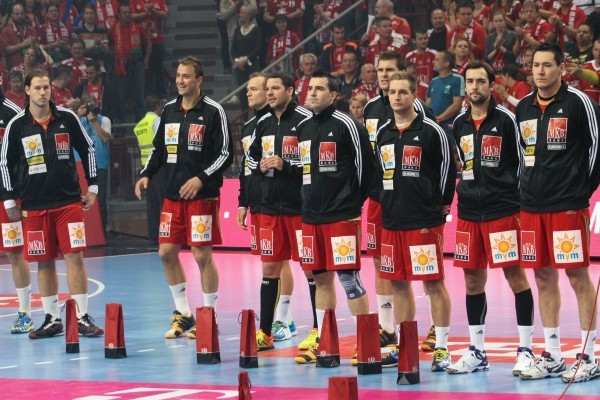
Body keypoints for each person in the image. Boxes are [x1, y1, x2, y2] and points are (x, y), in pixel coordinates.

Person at [515, 43, 600, 383]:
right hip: (531, 207)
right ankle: (552, 355)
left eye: (547, 65)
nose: (540, 71)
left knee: (577, 277)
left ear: (561, 68)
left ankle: (589, 356)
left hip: (567, 204)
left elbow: (597, 147)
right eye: (536, 65)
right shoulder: (523, 107)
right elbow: (522, 155)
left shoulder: (579, 102)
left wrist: (581, 190)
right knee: (542, 278)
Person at [0, 68, 103, 339]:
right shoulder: (17, 125)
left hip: (69, 203)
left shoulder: (67, 118)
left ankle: (82, 317)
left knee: (75, 258)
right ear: (27, 91)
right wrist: (9, 198)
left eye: (46, 87)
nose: (43, 92)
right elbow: (5, 163)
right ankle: (52, 319)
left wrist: (93, 187)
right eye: (37, 88)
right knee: (44, 262)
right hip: (33, 205)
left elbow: (88, 148)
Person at [446, 61, 535, 375]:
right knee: (472, 280)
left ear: (491, 85)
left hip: (503, 211)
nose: (474, 87)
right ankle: (476, 351)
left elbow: (524, 163)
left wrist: (519, 202)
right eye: (470, 81)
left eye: (480, 81)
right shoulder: (459, 123)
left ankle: (525, 350)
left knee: (515, 276)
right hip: (469, 211)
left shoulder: (508, 120)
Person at [134, 56, 233, 339]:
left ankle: (209, 316)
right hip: (173, 195)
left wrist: (201, 178)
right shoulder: (169, 110)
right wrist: (146, 174)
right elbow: (158, 149)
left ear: (199, 80)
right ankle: (184, 313)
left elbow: (225, 154)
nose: (180, 80)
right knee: (166, 253)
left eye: (186, 76)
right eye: (178, 75)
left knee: (202, 255)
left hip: (202, 197)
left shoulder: (213, 111)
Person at [293, 71, 377, 365]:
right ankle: (326, 345)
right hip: (311, 216)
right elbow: (303, 171)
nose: (312, 93)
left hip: (342, 215)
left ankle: (366, 344)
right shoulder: (303, 127)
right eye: (310, 89)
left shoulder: (347, 125)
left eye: (319, 89)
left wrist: (353, 202)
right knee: (320, 279)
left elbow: (367, 167)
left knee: (348, 279)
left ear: (333, 95)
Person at [375, 71, 456, 371]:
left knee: (433, 283)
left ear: (414, 95)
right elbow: (379, 173)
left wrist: (440, 205)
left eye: (403, 92)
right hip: (392, 219)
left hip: (424, 218)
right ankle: (406, 346)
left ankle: (442, 347)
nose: (397, 97)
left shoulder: (432, 131)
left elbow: (447, 169)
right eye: (392, 92)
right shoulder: (383, 133)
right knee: (398, 283)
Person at [247, 72, 312, 350]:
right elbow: (250, 159)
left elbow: (314, 164)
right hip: (270, 208)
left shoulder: (305, 121)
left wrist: (287, 166)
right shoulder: (262, 122)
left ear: (290, 90)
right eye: (268, 88)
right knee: (270, 268)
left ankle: (318, 330)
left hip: (300, 208)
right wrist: (260, 167)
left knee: (311, 269)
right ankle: (265, 333)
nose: (270, 92)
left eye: (276, 88)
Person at [0, 71, 33, 334]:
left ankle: (25, 313)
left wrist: (15, 194)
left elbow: (25, 156)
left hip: (7, 196)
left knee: (14, 252)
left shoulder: (12, 113)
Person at [108, 3, 151, 122]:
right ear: (119, 15)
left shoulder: (138, 27)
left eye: (129, 12)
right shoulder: (114, 28)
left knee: (139, 97)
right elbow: (109, 44)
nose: (127, 15)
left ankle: (140, 123)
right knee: (121, 97)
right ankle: (121, 125)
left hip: (137, 65)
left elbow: (148, 43)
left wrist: (146, 60)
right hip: (121, 66)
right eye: (124, 13)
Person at [134, 96, 167, 245]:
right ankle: (167, 235)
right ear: (157, 106)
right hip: (158, 167)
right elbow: (162, 144)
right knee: (164, 202)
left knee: (151, 203)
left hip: (145, 168)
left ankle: (154, 237)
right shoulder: (156, 121)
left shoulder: (139, 125)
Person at [77, 94, 111, 234]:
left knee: (101, 200)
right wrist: (78, 115)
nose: (92, 108)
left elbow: (105, 138)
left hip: (100, 164)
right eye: (89, 106)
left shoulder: (104, 120)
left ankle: (102, 232)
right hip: (81, 164)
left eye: (94, 105)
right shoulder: (78, 120)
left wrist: (94, 122)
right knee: (81, 198)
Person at [131, 0, 170, 98]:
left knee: (159, 69)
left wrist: (153, 11)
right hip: (140, 41)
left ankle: (161, 96)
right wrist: (145, 13)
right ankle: (144, 96)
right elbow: (131, 16)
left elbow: (166, 14)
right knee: (142, 70)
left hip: (157, 40)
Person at [231, 5, 262, 116]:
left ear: (249, 15)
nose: (240, 15)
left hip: (252, 64)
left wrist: (247, 59)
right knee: (243, 92)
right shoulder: (237, 30)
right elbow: (233, 48)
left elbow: (258, 48)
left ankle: (257, 116)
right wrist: (237, 61)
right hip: (240, 66)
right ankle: (244, 118)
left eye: (242, 13)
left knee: (254, 90)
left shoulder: (256, 30)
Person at [426, 51, 465, 135]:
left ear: (446, 63)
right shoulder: (433, 81)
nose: (433, 61)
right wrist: (429, 120)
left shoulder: (458, 79)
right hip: (432, 125)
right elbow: (427, 105)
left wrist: (439, 119)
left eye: (437, 59)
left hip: (448, 126)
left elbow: (457, 105)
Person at [0, 3, 39, 70]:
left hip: (31, 69)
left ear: (25, 14)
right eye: (17, 14)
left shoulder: (32, 29)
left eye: (22, 13)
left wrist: (35, 46)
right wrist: (24, 44)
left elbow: (37, 48)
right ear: (12, 15)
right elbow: (6, 50)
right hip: (13, 70)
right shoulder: (6, 30)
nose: (20, 16)